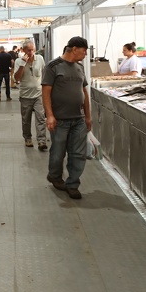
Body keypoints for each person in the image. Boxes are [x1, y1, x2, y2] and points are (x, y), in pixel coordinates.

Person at [42, 36, 91, 200]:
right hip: (59, 120)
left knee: (78, 154)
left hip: (78, 119)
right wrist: (50, 115)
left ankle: (73, 184)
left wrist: (88, 116)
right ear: (74, 49)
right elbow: (46, 92)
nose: (85, 54)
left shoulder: (80, 67)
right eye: (84, 51)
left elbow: (84, 92)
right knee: (58, 153)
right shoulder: (53, 66)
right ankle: (55, 176)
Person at [14, 40, 47, 151]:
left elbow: (44, 74)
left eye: (33, 50)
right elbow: (17, 78)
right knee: (26, 120)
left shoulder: (40, 59)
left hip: (39, 94)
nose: (31, 52)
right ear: (23, 50)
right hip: (25, 96)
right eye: (28, 50)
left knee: (41, 118)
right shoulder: (18, 61)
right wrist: (23, 64)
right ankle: (27, 138)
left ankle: (41, 140)